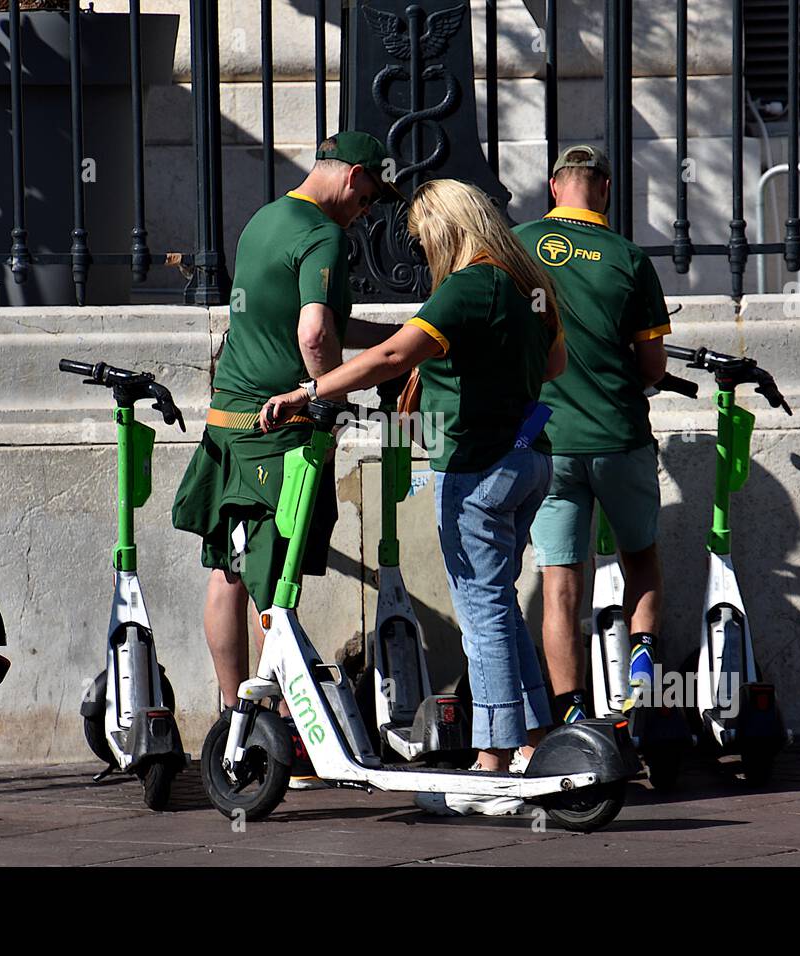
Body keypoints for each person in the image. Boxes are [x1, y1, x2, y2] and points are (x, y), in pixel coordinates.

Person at [260, 178, 567, 817]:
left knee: (482, 614)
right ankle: (538, 741)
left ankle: (491, 760)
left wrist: (308, 393)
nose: (427, 252)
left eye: (427, 239)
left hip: (478, 469)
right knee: (502, 607)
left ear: (447, 230)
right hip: (530, 458)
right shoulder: (527, 280)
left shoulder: (470, 283)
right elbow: (556, 364)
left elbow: (394, 352)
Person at [171, 131, 401, 772]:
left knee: (227, 570)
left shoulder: (264, 220)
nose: (368, 212)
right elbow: (314, 330)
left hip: (228, 419)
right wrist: (323, 397)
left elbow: (307, 315)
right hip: (280, 430)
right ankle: (270, 733)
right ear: (353, 176)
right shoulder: (326, 235)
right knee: (278, 581)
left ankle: (232, 720)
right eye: (370, 198)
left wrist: (399, 341)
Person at [513, 145, 672, 724]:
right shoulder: (628, 258)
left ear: (555, 187)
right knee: (642, 561)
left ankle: (572, 713)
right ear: (604, 187)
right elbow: (652, 368)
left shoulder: (517, 246)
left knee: (560, 582)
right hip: (619, 435)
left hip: (547, 441)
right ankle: (641, 670)